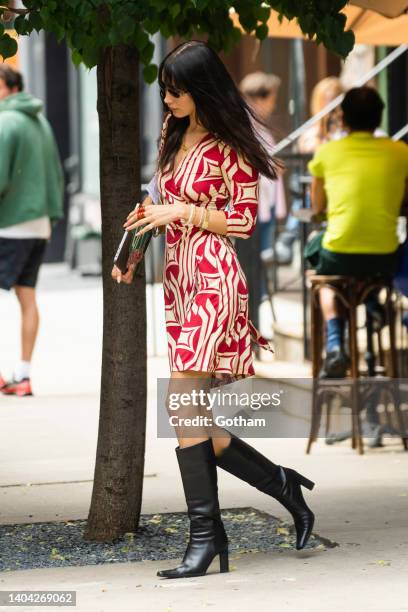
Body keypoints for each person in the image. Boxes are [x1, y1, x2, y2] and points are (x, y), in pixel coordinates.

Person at [112, 41, 315, 579]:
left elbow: (245, 222)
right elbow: (162, 206)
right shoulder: (171, 135)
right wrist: (137, 243)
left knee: (181, 405)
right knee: (197, 419)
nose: (167, 99)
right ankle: (284, 486)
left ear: (200, 89)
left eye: (175, 90)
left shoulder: (234, 147)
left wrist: (183, 209)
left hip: (214, 278)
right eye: (164, 89)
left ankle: (206, 538)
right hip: (178, 278)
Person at [306, 86, 408, 378]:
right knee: (370, 265)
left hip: (340, 254)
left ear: (344, 119)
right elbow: (404, 199)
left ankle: (336, 341)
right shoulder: (400, 152)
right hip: (384, 258)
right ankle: (374, 305)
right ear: (379, 119)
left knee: (318, 269)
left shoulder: (327, 152)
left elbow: (318, 206)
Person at [0, 65, 64, 396]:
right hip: (39, 225)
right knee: (27, 298)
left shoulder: (5, 122)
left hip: (9, 224)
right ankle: (22, 375)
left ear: (7, 86)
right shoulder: (41, 122)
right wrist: (52, 218)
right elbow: (56, 173)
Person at [275, 77, 345, 265]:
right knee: (306, 194)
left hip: (338, 186)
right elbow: (307, 148)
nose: (331, 104)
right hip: (316, 186)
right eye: (327, 99)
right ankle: (290, 238)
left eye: (335, 99)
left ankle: (289, 238)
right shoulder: (313, 130)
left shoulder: (345, 131)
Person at [239, 71, 286, 300]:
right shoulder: (246, 124)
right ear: (261, 97)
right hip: (254, 200)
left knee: (258, 256)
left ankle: (256, 301)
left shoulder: (252, 123)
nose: (273, 104)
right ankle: (253, 304)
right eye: (272, 98)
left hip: (261, 201)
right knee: (254, 257)